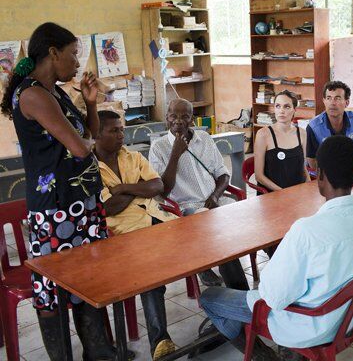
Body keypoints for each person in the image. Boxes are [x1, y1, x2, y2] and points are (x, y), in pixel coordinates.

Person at [0, 23, 131, 360]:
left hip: (79, 204)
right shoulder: (33, 95)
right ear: (53, 53)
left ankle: (98, 352)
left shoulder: (55, 91)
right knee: (54, 290)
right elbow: (82, 148)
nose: (77, 62)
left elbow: (89, 132)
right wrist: (89, 143)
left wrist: (89, 103)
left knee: (88, 281)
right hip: (56, 209)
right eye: (73, 53)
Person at [199, 136, 353, 359]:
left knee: (211, 297)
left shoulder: (307, 231)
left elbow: (273, 297)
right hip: (350, 319)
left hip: (310, 326)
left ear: (319, 176)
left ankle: (259, 355)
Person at [94, 110, 177, 360]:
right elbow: (108, 208)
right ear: (96, 135)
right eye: (114, 130)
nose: (122, 134)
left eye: (122, 129)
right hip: (126, 234)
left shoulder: (133, 156)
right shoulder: (89, 169)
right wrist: (140, 190)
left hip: (161, 221)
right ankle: (160, 340)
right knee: (149, 274)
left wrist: (122, 188)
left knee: (210, 246)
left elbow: (158, 186)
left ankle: (231, 316)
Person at [149, 98, 248, 290]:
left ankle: (213, 267)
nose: (178, 121)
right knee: (222, 240)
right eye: (173, 116)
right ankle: (240, 294)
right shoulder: (159, 147)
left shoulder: (205, 139)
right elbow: (164, 190)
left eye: (184, 116)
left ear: (192, 120)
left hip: (214, 201)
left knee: (244, 224)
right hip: (187, 209)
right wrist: (175, 154)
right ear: (166, 118)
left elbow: (222, 174)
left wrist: (215, 196)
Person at [254, 90, 309, 192]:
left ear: (294, 110)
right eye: (278, 106)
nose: (281, 111)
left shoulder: (302, 133)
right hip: (273, 196)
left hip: (297, 194)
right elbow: (259, 176)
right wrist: (283, 193)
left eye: (287, 107)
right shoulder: (263, 134)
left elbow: (303, 168)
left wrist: (308, 188)